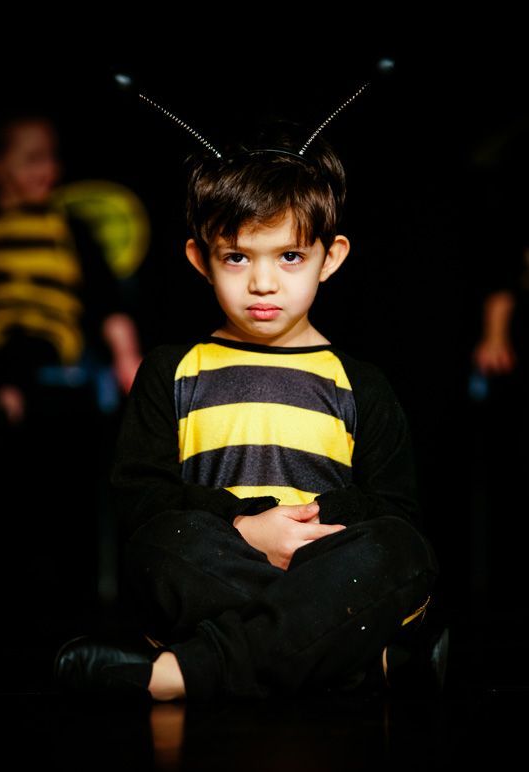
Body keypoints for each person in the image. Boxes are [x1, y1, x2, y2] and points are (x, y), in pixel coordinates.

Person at [54, 120, 444, 704]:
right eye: (236, 257)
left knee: (403, 550)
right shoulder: (171, 370)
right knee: (162, 545)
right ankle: (354, 661)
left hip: (326, 570)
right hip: (222, 572)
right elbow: (142, 499)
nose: (263, 283)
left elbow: (392, 505)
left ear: (330, 257)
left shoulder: (360, 383)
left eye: (289, 255)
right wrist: (245, 530)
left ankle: (183, 672)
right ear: (199, 258)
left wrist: (313, 525)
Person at [0, 112, 142, 627]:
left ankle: (75, 611)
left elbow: (107, 303)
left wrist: (128, 362)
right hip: (5, 367)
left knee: (71, 499)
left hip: (57, 375)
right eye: (32, 159)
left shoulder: (69, 228)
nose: (48, 170)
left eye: (51, 158)